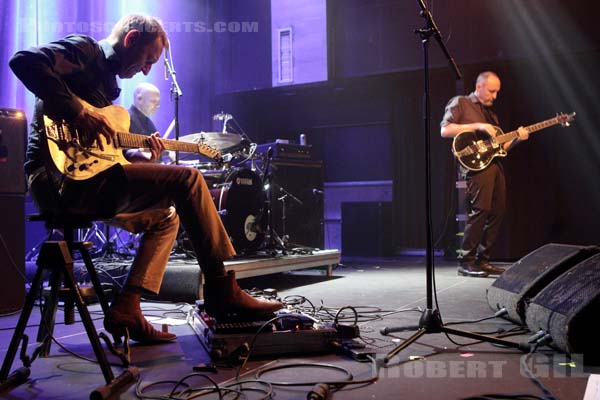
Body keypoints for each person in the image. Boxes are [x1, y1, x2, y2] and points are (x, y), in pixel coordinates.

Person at [10, 14, 281, 344]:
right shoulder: (85, 52)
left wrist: (137, 157)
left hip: (88, 179)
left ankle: (129, 306)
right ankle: (222, 289)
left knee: (167, 218)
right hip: (53, 179)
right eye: (148, 59)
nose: (147, 70)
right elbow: (24, 61)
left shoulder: (108, 86)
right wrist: (77, 113)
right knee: (190, 180)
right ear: (131, 39)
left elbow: (98, 153)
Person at [440, 71, 529, 278]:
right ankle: (466, 261)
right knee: (481, 209)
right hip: (476, 167)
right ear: (479, 86)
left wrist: (518, 137)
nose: (495, 96)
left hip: (494, 165)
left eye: (497, 92)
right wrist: (478, 125)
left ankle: (483, 260)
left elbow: (502, 146)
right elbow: (445, 130)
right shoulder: (461, 102)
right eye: (491, 91)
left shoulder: (492, 115)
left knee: (498, 210)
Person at [126, 82, 162, 162]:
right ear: (139, 99)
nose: (156, 106)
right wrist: (139, 153)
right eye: (153, 101)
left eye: (158, 103)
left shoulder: (150, 124)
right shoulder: (125, 118)